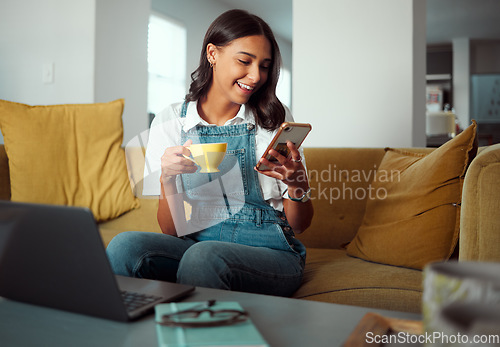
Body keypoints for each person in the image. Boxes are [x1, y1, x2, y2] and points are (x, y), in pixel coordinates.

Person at [106, 9, 313, 297]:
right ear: (212, 54)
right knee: (124, 246)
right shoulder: (171, 121)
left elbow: (300, 226)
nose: (255, 76)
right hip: (197, 243)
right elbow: (171, 231)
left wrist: (297, 186)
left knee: (203, 257)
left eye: (264, 66)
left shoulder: (272, 119)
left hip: (268, 249)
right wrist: (168, 178)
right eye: (245, 61)